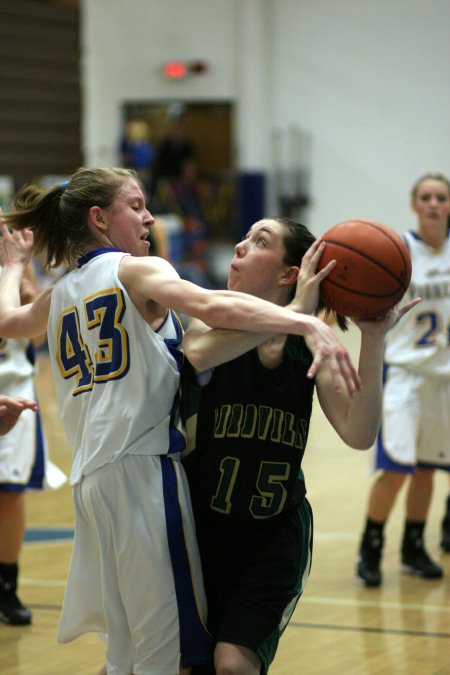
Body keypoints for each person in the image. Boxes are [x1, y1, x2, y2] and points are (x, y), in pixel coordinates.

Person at [0, 167, 361, 675]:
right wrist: (303, 317)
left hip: (91, 487)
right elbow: (211, 303)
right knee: (165, 660)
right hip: (143, 475)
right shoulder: (138, 271)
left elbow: (7, 322)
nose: (149, 216)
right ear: (100, 218)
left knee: (122, 658)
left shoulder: (62, 292)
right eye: (136, 205)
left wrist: (11, 267)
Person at [180, 217, 417, 675]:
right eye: (245, 237)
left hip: (272, 539)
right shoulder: (204, 318)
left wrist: (373, 338)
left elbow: (359, 433)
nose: (241, 245)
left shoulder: (311, 346)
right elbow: (198, 356)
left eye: (260, 240)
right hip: (199, 532)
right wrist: (298, 316)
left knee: (232, 665)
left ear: (290, 274)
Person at [356, 172, 450, 587]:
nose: (433, 203)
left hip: (442, 379)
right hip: (404, 374)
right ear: (414, 204)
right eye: (426, 197)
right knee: (397, 469)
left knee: (428, 470)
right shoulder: (399, 254)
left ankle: (414, 545)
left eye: (441, 197)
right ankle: (370, 546)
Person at [0, 262, 48, 626]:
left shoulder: (17, 264)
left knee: (10, 492)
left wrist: (30, 296)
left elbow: (36, 338)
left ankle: (6, 586)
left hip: (13, 384)